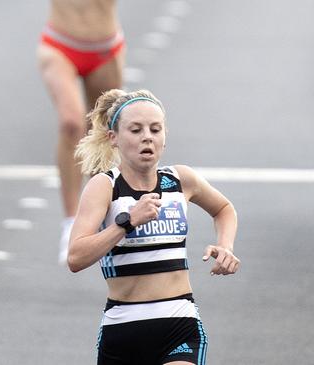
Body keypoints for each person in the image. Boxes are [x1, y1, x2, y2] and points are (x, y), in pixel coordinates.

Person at [68, 89, 240, 364]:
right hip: (122, 328)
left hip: (179, 324)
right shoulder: (105, 187)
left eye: (155, 129)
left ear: (164, 137)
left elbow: (224, 209)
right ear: (113, 138)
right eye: (135, 130)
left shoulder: (180, 179)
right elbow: (76, 257)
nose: (147, 136)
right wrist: (126, 222)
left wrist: (225, 246)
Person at [37, 0, 125, 264]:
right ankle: (70, 221)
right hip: (59, 46)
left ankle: (97, 218)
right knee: (71, 122)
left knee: (103, 130)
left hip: (105, 50)